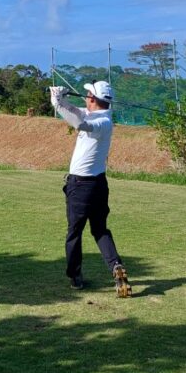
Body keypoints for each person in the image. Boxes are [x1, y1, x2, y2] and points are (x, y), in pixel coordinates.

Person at [49, 80, 131, 297]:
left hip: (80, 186)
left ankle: (75, 277)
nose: (85, 97)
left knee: (74, 233)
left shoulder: (103, 122)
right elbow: (76, 112)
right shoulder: (100, 115)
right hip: (99, 185)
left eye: (88, 94)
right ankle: (115, 265)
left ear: (93, 99)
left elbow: (79, 124)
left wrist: (57, 103)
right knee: (100, 230)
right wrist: (61, 100)